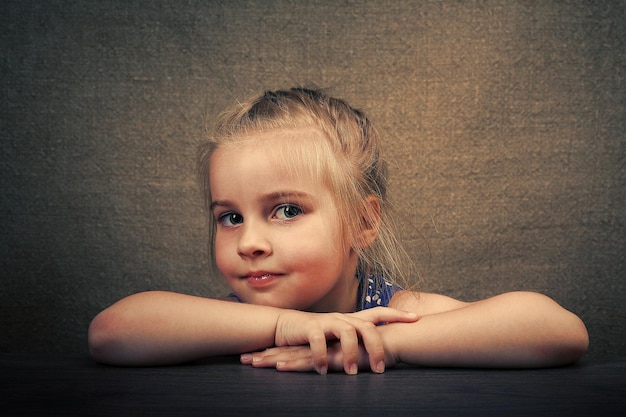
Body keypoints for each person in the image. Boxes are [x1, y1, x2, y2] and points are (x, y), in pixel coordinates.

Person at [88, 87, 589, 375]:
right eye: (230, 217)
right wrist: (284, 326)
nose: (249, 242)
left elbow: (558, 331)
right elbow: (111, 333)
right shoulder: (230, 319)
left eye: (286, 210)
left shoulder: (396, 315)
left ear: (363, 222)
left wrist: (384, 342)